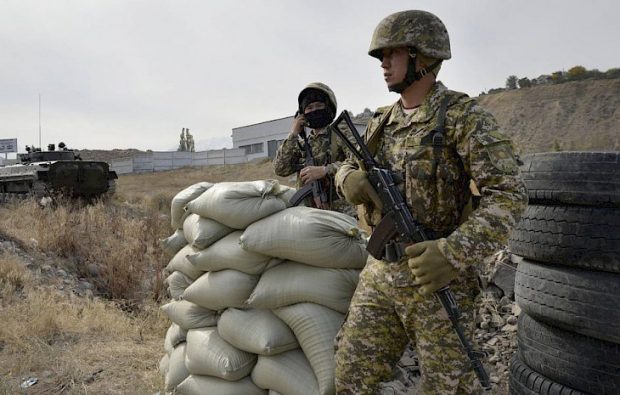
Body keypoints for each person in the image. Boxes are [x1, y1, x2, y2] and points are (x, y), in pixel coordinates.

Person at [333, 10, 527, 394]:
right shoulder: (380, 122)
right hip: (381, 276)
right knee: (351, 380)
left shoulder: (461, 117)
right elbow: (347, 166)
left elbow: (508, 195)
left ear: (422, 57)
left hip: (438, 282)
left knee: (449, 388)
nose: (383, 64)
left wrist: (452, 253)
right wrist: (346, 179)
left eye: (392, 54)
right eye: (380, 57)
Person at [273, 82, 355, 216]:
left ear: (328, 108)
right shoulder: (301, 143)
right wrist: (293, 134)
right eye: (309, 108)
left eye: (319, 106)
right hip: (308, 214)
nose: (314, 110)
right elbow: (280, 169)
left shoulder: (340, 132)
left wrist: (325, 170)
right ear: (302, 114)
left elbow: (358, 163)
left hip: (340, 211)